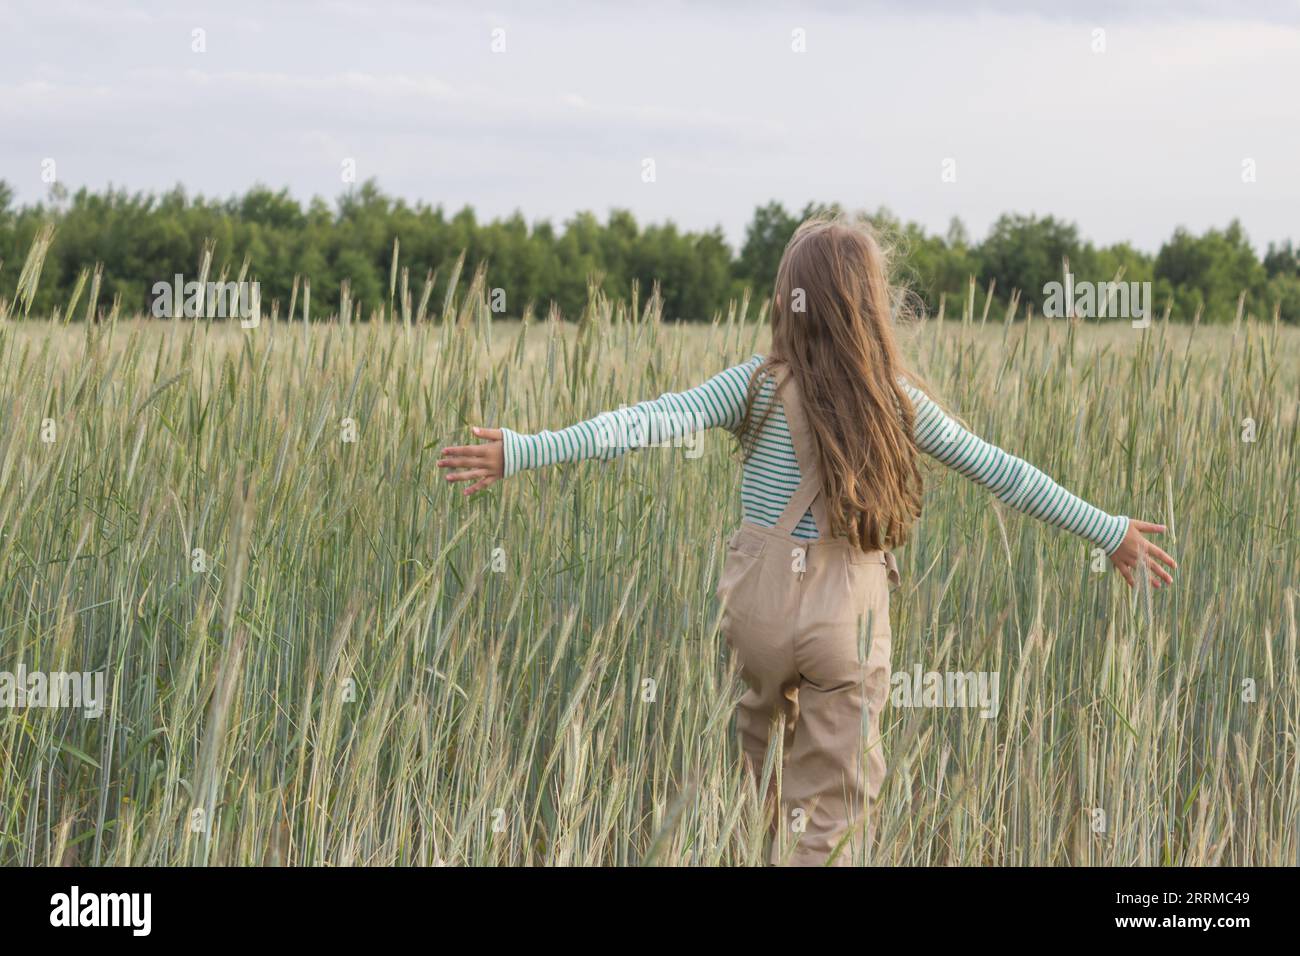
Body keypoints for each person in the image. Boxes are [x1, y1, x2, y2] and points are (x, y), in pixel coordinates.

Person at [437, 217, 1177, 866]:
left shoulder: (754, 386)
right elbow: (1003, 472)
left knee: (758, 788)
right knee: (831, 816)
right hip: (844, 620)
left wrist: (525, 449)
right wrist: (1107, 530)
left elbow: (646, 420)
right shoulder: (896, 402)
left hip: (756, 614)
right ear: (870, 307)